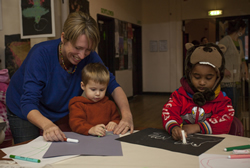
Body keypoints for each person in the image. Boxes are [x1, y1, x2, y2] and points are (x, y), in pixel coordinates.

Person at [6, 11, 133, 144]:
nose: (82, 55)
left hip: (58, 108)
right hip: (24, 109)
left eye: (88, 50)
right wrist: (47, 125)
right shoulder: (40, 55)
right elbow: (28, 103)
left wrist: (127, 115)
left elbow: (113, 86)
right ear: (63, 38)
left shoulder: (90, 56)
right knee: (30, 152)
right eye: (77, 48)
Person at [162, 43, 234, 141]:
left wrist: (198, 127)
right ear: (189, 74)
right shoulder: (179, 96)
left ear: (218, 77)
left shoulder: (223, 101)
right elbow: (168, 112)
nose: (202, 82)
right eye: (197, 77)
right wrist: (174, 127)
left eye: (208, 78)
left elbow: (225, 122)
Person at [69, 63, 121, 136]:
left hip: (107, 139)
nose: (97, 93)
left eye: (102, 90)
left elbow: (117, 119)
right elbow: (76, 123)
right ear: (83, 86)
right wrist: (91, 129)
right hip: (86, 141)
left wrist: (114, 123)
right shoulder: (78, 105)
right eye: (93, 89)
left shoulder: (110, 104)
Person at [219, 18, 248, 116]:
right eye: (244, 29)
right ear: (240, 29)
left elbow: (242, 58)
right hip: (227, 80)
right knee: (230, 106)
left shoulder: (239, 42)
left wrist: (245, 70)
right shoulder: (225, 40)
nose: (244, 32)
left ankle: (235, 127)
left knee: (236, 105)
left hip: (237, 79)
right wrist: (223, 69)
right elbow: (217, 56)